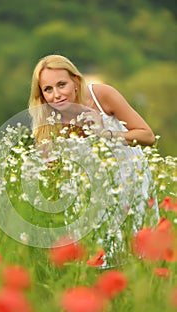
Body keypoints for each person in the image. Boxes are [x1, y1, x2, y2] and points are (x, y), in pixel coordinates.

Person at [28, 54, 159, 263]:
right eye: (48, 90)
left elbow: (147, 136)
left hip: (127, 181)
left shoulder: (101, 95)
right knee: (95, 256)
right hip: (87, 194)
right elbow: (54, 176)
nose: (56, 95)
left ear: (76, 82)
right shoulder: (47, 123)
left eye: (62, 85)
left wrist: (104, 133)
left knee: (134, 251)